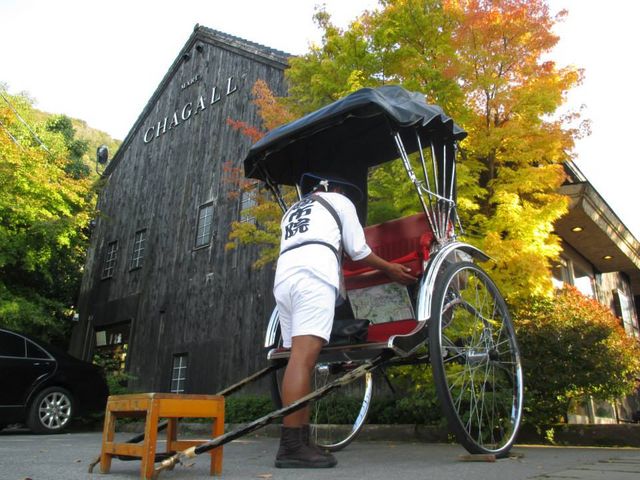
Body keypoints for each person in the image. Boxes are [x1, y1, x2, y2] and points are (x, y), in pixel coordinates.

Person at [273, 173, 417, 468]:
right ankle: (290, 446)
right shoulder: (339, 200)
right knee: (303, 359)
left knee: (298, 360)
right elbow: (358, 249)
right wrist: (390, 268)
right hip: (314, 276)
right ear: (337, 188)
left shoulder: (292, 211)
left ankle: (299, 441)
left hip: (284, 279)